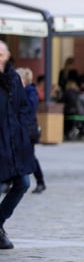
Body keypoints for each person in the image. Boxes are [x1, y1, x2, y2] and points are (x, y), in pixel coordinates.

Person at [0, 41, 35, 249]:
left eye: (1, 53)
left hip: (13, 143)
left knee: (23, 183)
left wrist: (22, 128)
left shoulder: (13, 79)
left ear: (7, 55)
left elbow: (24, 107)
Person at [16, 67, 46, 194]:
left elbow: (29, 109)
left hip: (28, 130)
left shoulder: (30, 92)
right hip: (19, 129)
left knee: (30, 157)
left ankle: (40, 182)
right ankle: (10, 183)